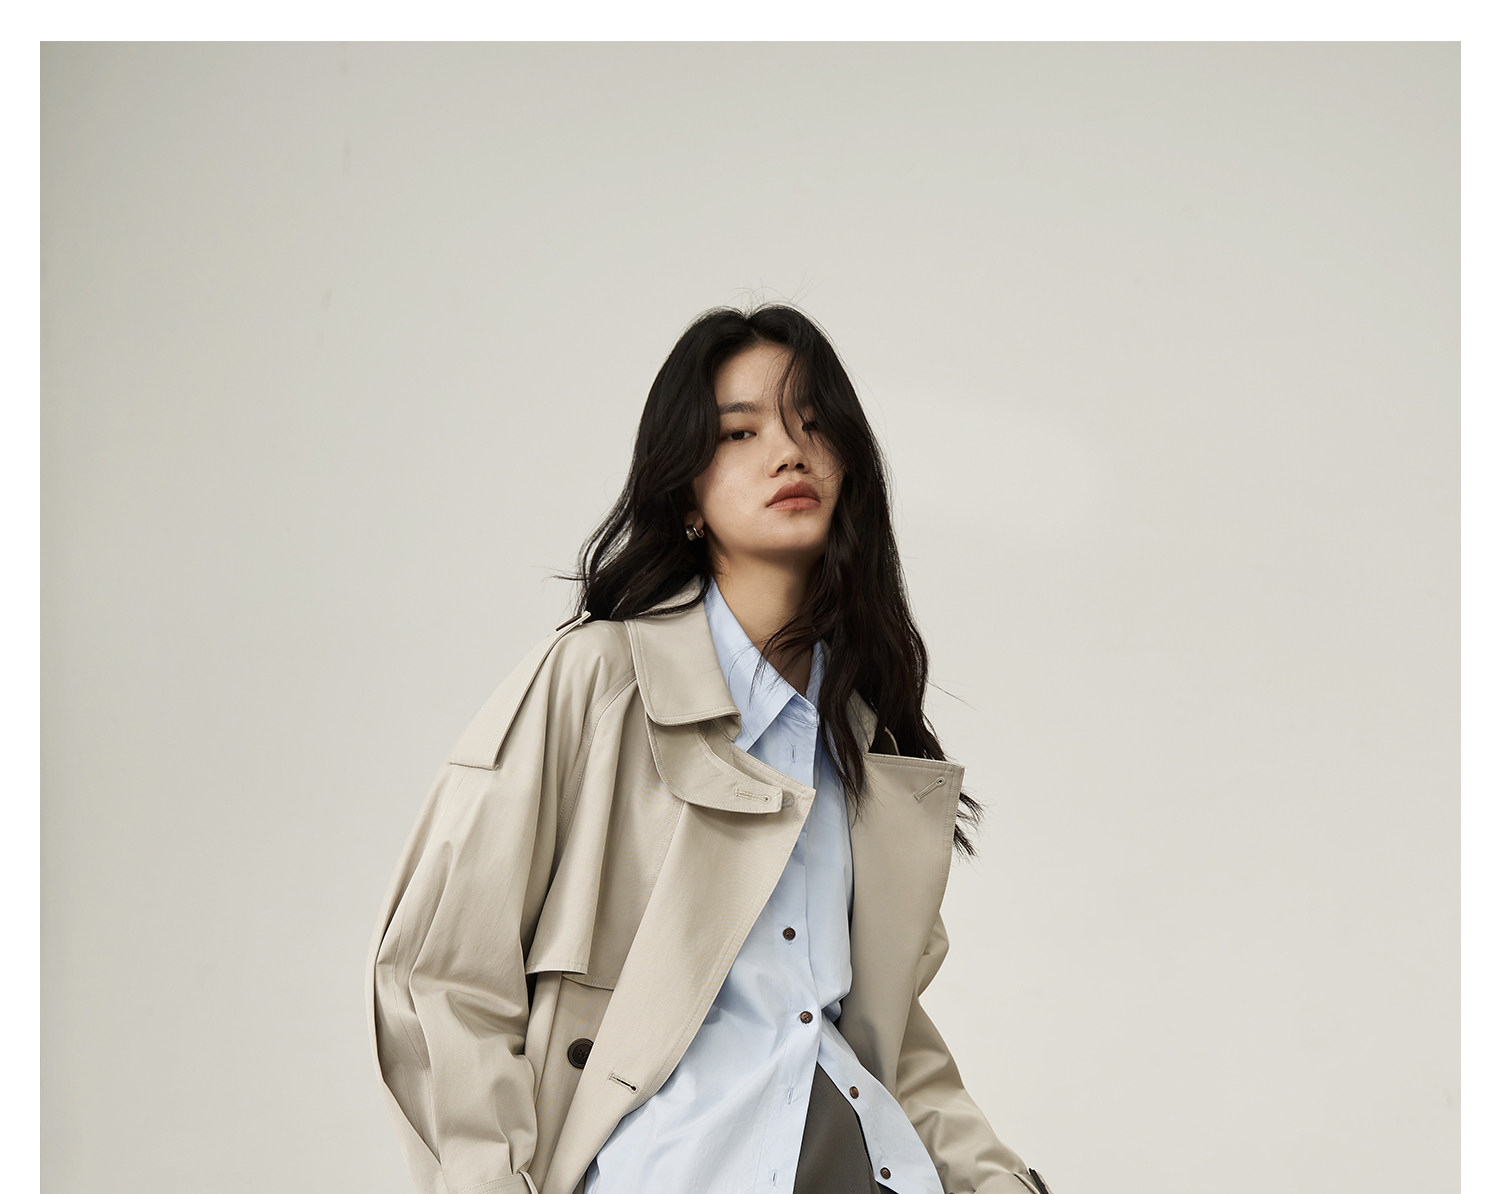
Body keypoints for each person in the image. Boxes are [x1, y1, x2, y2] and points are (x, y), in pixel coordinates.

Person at [366, 304, 1054, 1194]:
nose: (790, 453)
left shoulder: (860, 741)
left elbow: (882, 1041)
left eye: (814, 425)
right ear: (686, 492)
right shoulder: (598, 681)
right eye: (741, 432)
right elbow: (440, 977)